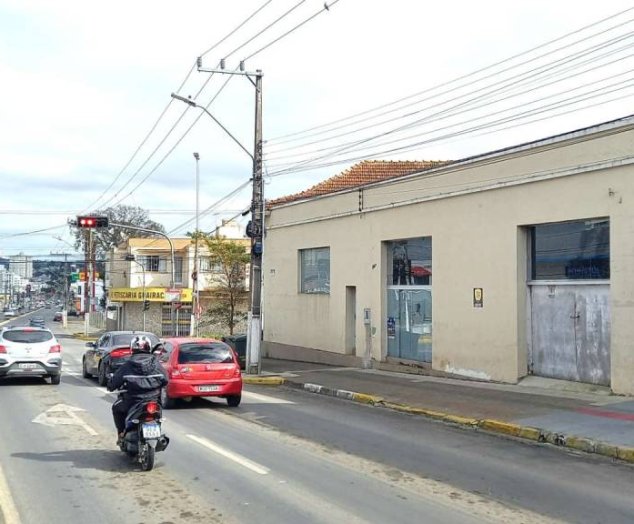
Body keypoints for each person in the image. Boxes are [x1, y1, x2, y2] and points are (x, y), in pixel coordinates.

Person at [107, 335, 169, 445]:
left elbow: (114, 383)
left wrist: (111, 384)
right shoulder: (155, 363)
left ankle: (121, 434)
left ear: (132, 348)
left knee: (116, 408)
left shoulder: (128, 365)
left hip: (132, 400)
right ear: (149, 348)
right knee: (157, 412)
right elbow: (165, 379)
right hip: (153, 400)